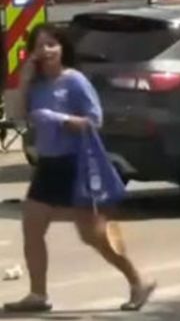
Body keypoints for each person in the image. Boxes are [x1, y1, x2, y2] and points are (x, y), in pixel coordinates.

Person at [3, 24, 154, 314]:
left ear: (62, 49)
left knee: (93, 236)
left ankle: (138, 281)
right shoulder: (37, 83)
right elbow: (19, 113)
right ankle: (38, 294)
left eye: (51, 45)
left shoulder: (74, 81)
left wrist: (57, 118)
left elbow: (94, 121)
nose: (46, 51)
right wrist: (23, 78)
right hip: (48, 165)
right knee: (32, 227)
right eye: (39, 46)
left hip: (76, 165)